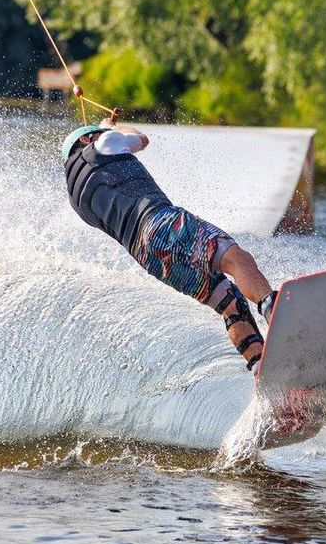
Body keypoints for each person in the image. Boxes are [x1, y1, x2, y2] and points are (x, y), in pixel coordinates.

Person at [62, 119, 276, 369]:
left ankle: (260, 366)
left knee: (228, 302)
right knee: (235, 258)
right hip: (160, 223)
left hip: (147, 257)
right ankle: (271, 307)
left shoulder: (76, 199)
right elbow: (141, 140)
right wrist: (111, 127)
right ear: (87, 140)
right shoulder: (105, 143)